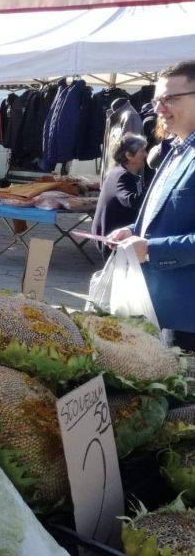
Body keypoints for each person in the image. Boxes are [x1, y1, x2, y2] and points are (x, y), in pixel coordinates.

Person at [108, 60, 195, 351]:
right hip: (160, 307)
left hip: (188, 319)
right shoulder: (176, 149)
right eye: (158, 100)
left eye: (170, 98)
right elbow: (166, 211)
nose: (158, 109)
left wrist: (151, 249)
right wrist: (133, 230)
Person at [92, 135, 147, 258]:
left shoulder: (127, 173)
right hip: (113, 236)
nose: (146, 155)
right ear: (129, 155)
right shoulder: (121, 175)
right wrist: (156, 192)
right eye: (142, 151)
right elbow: (130, 200)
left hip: (119, 233)